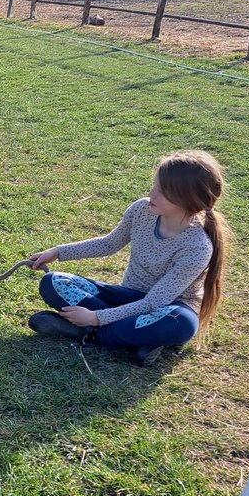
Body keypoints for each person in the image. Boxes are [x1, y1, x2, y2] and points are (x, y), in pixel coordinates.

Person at [25, 150, 231, 367]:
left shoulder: (197, 247)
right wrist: (58, 252)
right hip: (127, 298)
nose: (152, 194)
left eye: (163, 192)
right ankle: (138, 340)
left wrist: (95, 317)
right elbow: (109, 244)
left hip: (164, 309)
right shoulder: (142, 209)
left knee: (181, 324)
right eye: (155, 186)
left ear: (191, 201)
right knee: (53, 282)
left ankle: (87, 333)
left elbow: (154, 302)